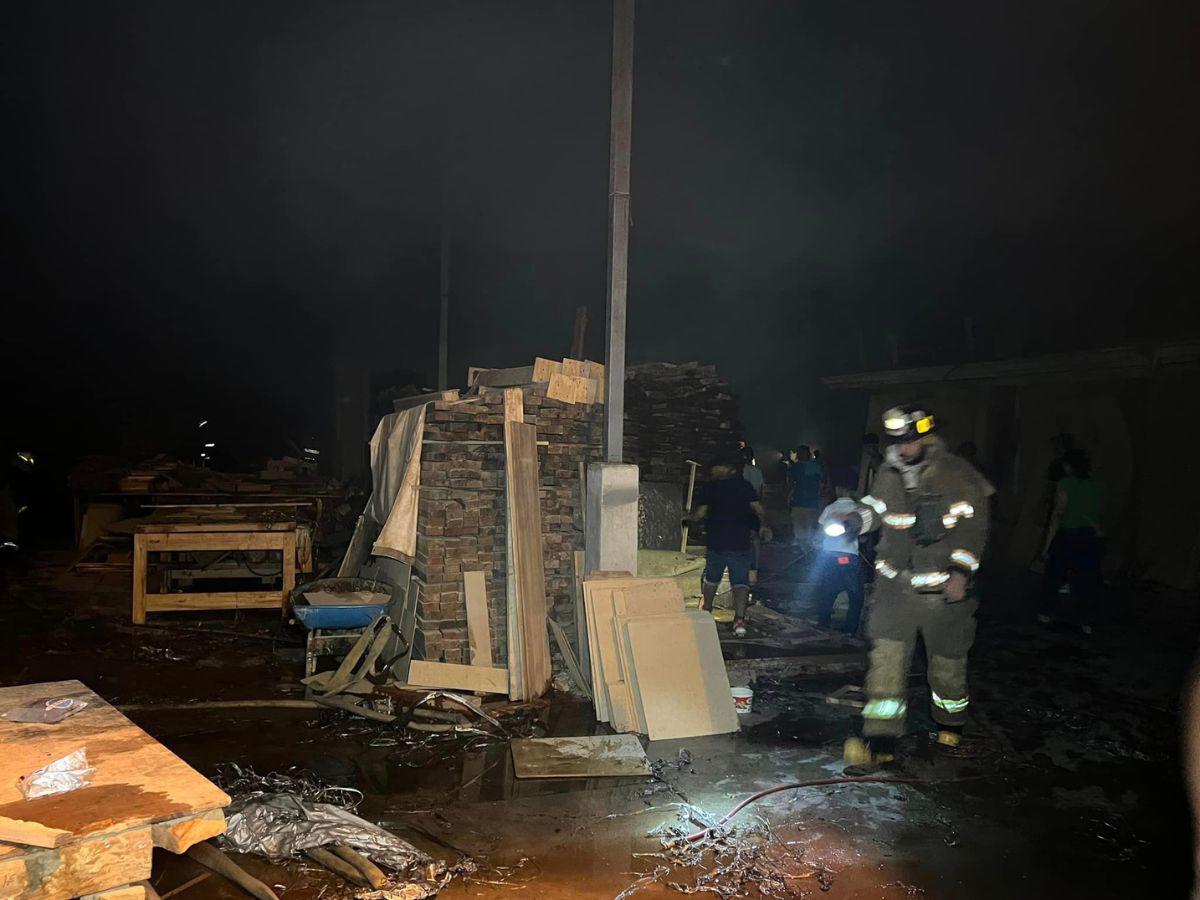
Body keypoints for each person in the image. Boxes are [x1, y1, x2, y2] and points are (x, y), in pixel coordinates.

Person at [837, 405, 991, 769]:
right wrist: (853, 521)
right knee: (885, 665)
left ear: (925, 437)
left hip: (943, 596)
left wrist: (960, 573)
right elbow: (874, 508)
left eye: (910, 442)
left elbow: (975, 530)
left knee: (947, 668)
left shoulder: (957, 475)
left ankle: (950, 726)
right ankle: (881, 739)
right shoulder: (888, 474)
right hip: (894, 591)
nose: (904, 450)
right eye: (899, 443)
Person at [690, 454, 771, 638]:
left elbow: (701, 513)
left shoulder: (710, 488)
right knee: (740, 583)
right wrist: (764, 525)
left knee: (711, 580)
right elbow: (759, 509)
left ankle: (706, 613)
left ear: (725, 468)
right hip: (740, 543)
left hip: (717, 542)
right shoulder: (744, 487)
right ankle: (739, 620)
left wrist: (689, 519)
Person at [1037, 448, 1104, 635]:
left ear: (1068, 466)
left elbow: (1058, 514)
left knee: (1054, 574)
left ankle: (1046, 613)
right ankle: (1086, 621)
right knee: (1086, 579)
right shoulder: (1097, 486)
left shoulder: (1066, 483)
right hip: (1091, 536)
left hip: (1069, 534)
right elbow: (1099, 514)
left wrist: (1047, 544)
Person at [814, 469, 865, 634]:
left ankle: (823, 626)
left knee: (827, 593)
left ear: (837, 489)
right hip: (851, 557)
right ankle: (849, 630)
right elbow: (864, 536)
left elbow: (820, 531)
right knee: (855, 597)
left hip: (829, 555)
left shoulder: (830, 509)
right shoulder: (858, 510)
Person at [787, 446, 823, 545]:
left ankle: (803, 551)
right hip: (810, 503)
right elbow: (822, 484)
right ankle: (807, 552)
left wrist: (788, 498)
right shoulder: (816, 466)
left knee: (800, 531)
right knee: (809, 531)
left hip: (800, 502)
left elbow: (790, 485)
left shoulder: (795, 467)